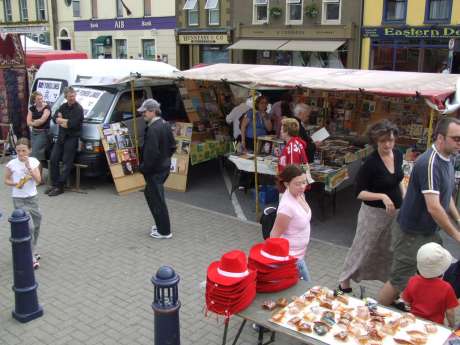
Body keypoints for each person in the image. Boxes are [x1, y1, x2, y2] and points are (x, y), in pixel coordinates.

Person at [378, 116, 460, 307]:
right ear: (440, 138)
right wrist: (456, 235)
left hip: (427, 232)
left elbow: (445, 196)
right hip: (411, 234)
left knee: (431, 270)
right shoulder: (430, 163)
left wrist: (457, 218)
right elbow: (433, 206)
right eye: (456, 138)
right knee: (398, 278)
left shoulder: (448, 158)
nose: (459, 142)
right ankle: (376, 316)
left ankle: (410, 303)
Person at [338, 120, 404, 293]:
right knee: (363, 247)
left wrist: (403, 200)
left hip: (394, 213)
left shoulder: (397, 154)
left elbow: (399, 180)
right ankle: (344, 281)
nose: (388, 144)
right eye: (383, 141)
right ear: (375, 141)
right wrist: (382, 196)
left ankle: (389, 286)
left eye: (391, 140)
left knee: (388, 249)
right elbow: (358, 192)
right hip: (373, 214)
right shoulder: (370, 163)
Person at [138, 98, 176, 239]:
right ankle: (161, 226)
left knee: (157, 199)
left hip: (155, 170)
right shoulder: (165, 124)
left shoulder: (154, 128)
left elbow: (151, 154)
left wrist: (143, 168)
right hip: (163, 167)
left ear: (153, 111)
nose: (143, 115)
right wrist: (165, 158)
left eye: (145, 112)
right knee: (152, 195)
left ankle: (164, 231)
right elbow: (173, 146)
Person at [4, 138, 42, 269]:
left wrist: (29, 168)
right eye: (18, 150)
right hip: (19, 200)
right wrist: (16, 184)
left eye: (24, 150)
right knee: (29, 227)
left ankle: (33, 248)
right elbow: (6, 180)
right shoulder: (11, 164)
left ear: (29, 150)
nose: (20, 153)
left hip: (33, 198)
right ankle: (30, 257)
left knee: (36, 225)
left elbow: (38, 180)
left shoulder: (34, 162)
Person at [271, 164, 312, 281]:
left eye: (304, 182)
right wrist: (281, 262)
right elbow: (274, 235)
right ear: (286, 184)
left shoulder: (300, 195)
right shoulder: (286, 207)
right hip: (292, 259)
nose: (302, 186)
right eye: (297, 183)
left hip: (300, 255)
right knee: (308, 287)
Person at [402, 243, 458, 328]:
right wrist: (451, 325)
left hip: (413, 320)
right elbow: (450, 312)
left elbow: (407, 302)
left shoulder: (413, 280)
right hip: (435, 325)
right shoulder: (447, 288)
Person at [47, 87, 84, 197]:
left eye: (73, 96)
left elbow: (73, 124)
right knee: (53, 159)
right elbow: (54, 118)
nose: (72, 98)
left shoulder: (79, 109)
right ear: (66, 97)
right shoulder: (63, 107)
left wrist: (63, 121)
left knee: (67, 163)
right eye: (70, 96)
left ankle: (60, 186)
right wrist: (62, 121)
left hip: (72, 138)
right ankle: (54, 184)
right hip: (61, 137)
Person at [26, 91, 51, 181]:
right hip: (34, 133)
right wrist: (35, 122)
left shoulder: (47, 108)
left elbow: (42, 120)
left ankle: (38, 178)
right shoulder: (32, 108)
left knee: (35, 154)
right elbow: (28, 122)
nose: (40, 100)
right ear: (34, 100)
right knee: (37, 155)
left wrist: (34, 122)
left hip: (43, 133)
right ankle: (38, 178)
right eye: (38, 99)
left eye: (41, 98)